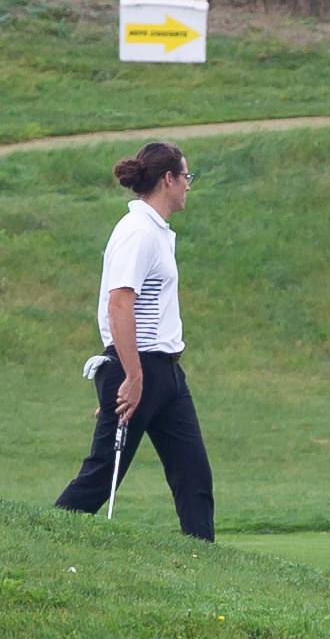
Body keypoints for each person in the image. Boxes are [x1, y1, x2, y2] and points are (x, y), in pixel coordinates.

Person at [53, 141, 215, 541]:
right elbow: (120, 304)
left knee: (194, 476)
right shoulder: (137, 232)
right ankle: (42, 538)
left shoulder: (156, 231)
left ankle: (204, 561)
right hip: (138, 367)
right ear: (168, 179)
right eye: (186, 177)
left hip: (167, 374)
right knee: (101, 474)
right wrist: (129, 376)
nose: (189, 186)